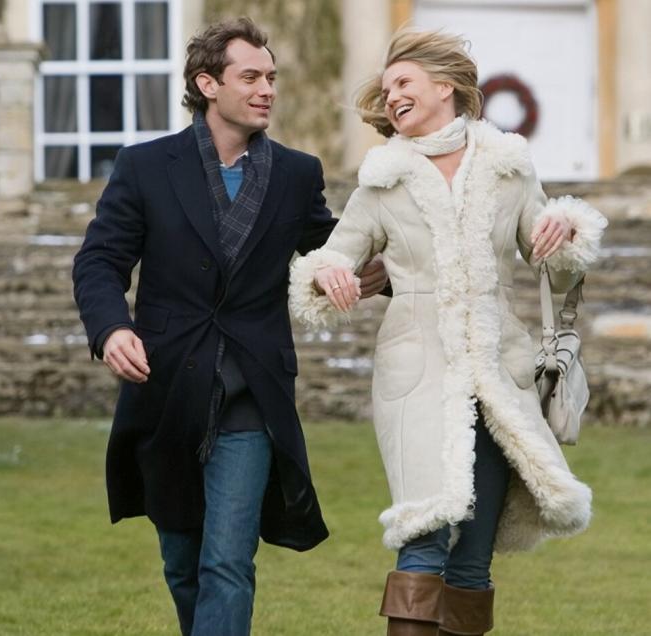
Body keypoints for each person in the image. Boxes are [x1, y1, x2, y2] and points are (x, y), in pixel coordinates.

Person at [72, 17, 387, 636]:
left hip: (253, 391)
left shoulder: (297, 173)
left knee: (227, 562)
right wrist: (111, 330)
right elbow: (99, 261)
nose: (267, 89)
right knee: (182, 562)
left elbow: (335, 248)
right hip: (166, 384)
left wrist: (380, 268)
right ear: (207, 84)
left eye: (271, 77)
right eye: (251, 77)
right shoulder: (145, 166)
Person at [289, 29, 602, 636]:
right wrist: (327, 276)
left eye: (403, 84)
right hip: (414, 376)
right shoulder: (383, 179)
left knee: (473, 558)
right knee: (423, 531)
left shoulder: (508, 167)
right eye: (386, 90)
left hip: (499, 376)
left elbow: (557, 269)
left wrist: (566, 232)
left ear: (445, 86)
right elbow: (331, 257)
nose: (392, 97)